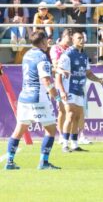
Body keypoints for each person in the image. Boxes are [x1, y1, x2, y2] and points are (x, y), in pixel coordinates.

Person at [4, 31, 61, 170]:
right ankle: (44, 162)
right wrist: (57, 97)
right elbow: (46, 80)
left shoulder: (27, 54)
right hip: (38, 97)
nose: (48, 42)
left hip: (24, 97)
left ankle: (10, 162)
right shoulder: (42, 57)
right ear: (42, 42)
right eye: (47, 40)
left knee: (19, 129)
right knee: (51, 129)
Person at [56, 30, 103, 152]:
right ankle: (65, 144)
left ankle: (74, 144)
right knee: (70, 115)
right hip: (69, 89)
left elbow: (88, 73)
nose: (82, 40)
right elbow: (58, 72)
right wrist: (62, 91)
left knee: (77, 117)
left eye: (83, 38)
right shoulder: (67, 54)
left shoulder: (84, 55)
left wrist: (98, 79)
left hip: (80, 90)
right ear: (73, 40)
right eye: (79, 38)